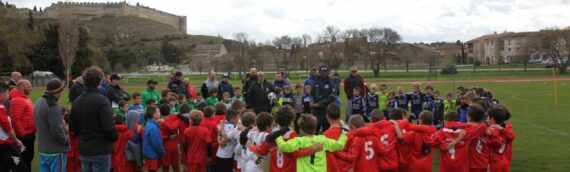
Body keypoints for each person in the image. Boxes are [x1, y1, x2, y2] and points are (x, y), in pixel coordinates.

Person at [70, 66, 118, 172]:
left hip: (85, 148)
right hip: (100, 150)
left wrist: (84, 135)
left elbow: (73, 126)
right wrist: (115, 136)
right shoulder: (102, 100)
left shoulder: (77, 101)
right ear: (100, 81)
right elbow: (108, 126)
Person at [248, 106, 317, 172]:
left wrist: (250, 146)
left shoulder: (272, 136)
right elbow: (297, 153)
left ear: (277, 121)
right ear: (291, 121)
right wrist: (312, 149)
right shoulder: (292, 135)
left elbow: (262, 151)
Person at [275, 114, 347, 172]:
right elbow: (340, 145)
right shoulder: (322, 140)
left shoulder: (299, 141)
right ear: (315, 127)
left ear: (302, 130)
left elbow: (283, 146)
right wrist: (344, 133)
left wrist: (277, 135)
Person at [34, 79, 70, 172]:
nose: (62, 94)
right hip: (55, 150)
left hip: (44, 150)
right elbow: (56, 130)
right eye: (61, 91)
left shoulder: (39, 101)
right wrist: (66, 140)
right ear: (57, 92)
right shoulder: (52, 105)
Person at [10, 79, 36, 172]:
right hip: (25, 136)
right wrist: (23, 135)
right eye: (29, 86)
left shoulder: (24, 98)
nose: (31, 88)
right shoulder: (17, 100)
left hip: (30, 134)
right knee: (24, 161)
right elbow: (16, 119)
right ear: (21, 87)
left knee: (28, 159)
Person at [0, 81, 26, 171]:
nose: (8, 95)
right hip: (5, 144)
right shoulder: (1, 107)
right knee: (21, 169)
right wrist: (16, 140)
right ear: (1, 94)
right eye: (7, 92)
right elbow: (6, 126)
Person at [487, 106, 516, 172]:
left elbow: (489, 133)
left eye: (488, 117)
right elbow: (512, 135)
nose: (486, 119)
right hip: (503, 158)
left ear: (493, 119)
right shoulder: (506, 127)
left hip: (494, 161)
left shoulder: (494, 129)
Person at [310, 65, 337, 134]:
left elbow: (332, 97)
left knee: (326, 133)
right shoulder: (316, 81)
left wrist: (319, 104)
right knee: (314, 133)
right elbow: (311, 93)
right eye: (322, 72)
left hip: (326, 111)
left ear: (327, 72)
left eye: (325, 71)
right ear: (319, 72)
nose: (324, 73)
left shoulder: (331, 82)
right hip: (316, 112)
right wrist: (311, 100)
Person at [158, 104, 181, 172]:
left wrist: (167, 137)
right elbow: (173, 127)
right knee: (176, 166)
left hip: (165, 146)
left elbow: (160, 137)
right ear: (170, 111)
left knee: (166, 167)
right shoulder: (175, 118)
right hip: (174, 146)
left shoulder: (159, 122)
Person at [142, 107, 165, 172]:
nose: (159, 113)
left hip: (149, 153)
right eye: (158, 111)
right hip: (152, 154)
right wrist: (162, 152)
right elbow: (156, 143)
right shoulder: (153, 128)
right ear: (154, 114)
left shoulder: (149, 124)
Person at [322, 104, 343, 172]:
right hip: (346, 167)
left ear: (327, 117)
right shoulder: (347, 133)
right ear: (340, 116)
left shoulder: (325, 136)